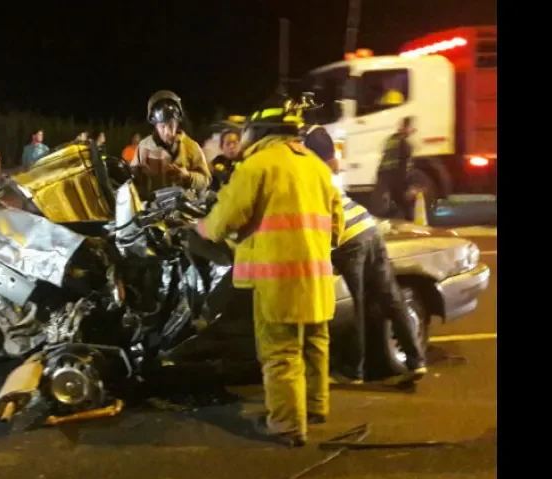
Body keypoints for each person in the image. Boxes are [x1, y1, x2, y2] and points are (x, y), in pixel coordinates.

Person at [195, 97, 345, 447]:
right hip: (317, 273)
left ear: (261, 130)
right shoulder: (318, 167)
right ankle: (315, 407)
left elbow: (225, 218)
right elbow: (336, 225)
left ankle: (287, 424)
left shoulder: (258, 165)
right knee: (315, 342)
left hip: (278, 278)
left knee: (281, 352)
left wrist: (202, 229)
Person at [298, 107, 428, 386]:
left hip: (349, 239)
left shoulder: (305, 171)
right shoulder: (326, 169)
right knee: (390, 295)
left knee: (356, 304)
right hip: (368, 226)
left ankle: (353, 371)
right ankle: (416, 360)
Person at [130, 90, 211, 197]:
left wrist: (188, 176)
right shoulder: (143, 147)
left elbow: (206, 180)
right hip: (154, 210)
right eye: (162, 126)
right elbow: (132, 181)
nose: (167, 131)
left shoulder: (191, 147)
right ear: (155, 125)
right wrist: (136, 174)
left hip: (184, 210)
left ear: (177, 122)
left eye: (171, 125)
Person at [377, 117, 415, 219]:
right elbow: (405, 166)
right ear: (406, 128)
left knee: (390, 205)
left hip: (384, 176)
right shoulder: (404, 143)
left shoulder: (390, 139)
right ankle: (409, 224)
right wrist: (408, 186)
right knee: (403, 202)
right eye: (411, 128)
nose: (412, 131)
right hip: (395, 176)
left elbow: (384, 158)